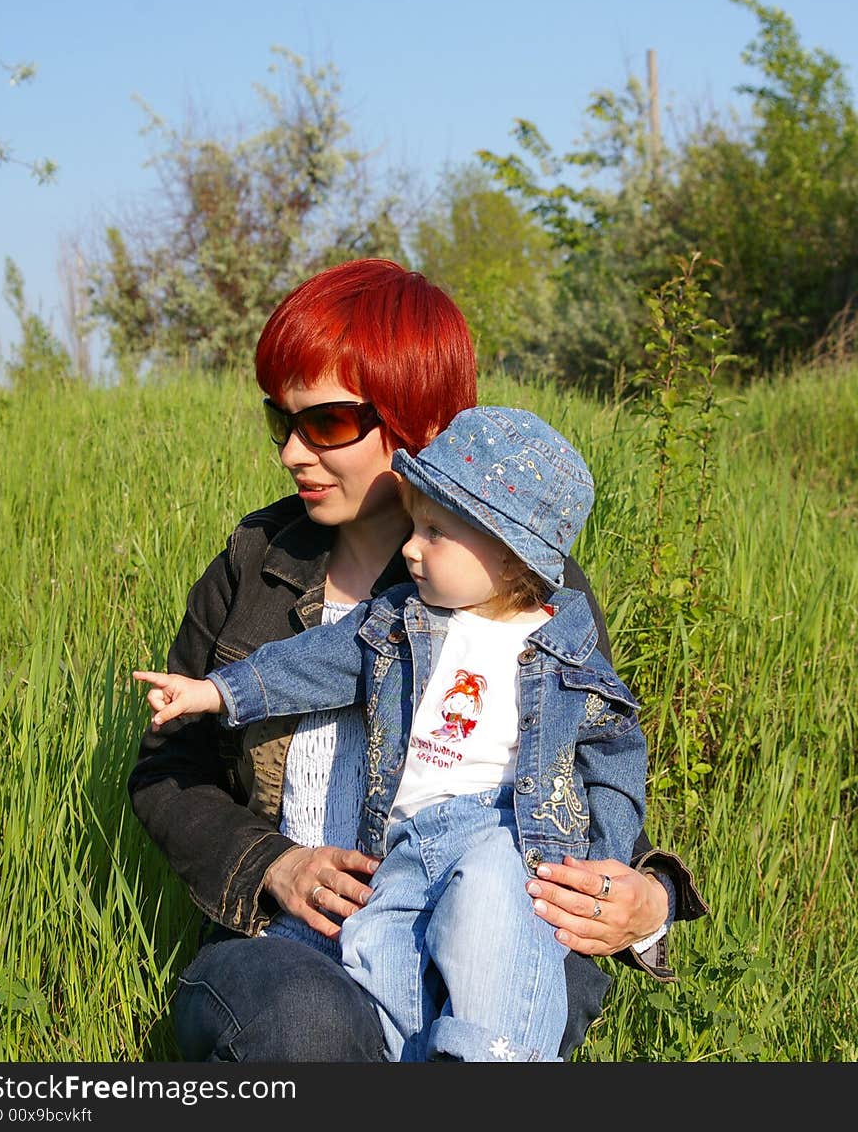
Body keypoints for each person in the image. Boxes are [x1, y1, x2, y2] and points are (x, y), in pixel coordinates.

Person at [127, 257, 707, 1063]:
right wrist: (273, 864)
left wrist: (649, 901)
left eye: (325, 423)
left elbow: (581, 761)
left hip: (481, 941)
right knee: (304, 1022)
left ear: (414, 413)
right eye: (280, 421)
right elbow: (166, 766)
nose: (293, 452)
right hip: (299, 952)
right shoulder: (254, 562)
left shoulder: (524, 581)